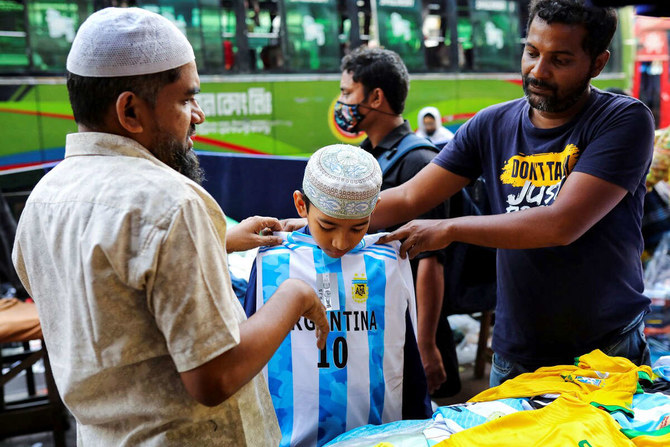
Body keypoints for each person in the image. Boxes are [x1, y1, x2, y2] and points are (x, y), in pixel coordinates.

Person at [11, 7, 328, 446]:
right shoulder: (172, 202)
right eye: (185, 99)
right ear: (131, 112)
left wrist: (219, 242)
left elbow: (112, 294)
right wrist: (296, 295)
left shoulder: (44, 199)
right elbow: (214, 376)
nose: (198, 115)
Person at [375, 0, 655, 387]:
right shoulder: (492, 123)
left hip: (605, 355)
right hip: (515, 356)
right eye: (532, 52)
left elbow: (561, 224)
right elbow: (407, 199)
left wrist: (451, 229)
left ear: (597, 63)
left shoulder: (624, 120)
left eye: (560, 59)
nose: (538, 71)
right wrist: (316, 219)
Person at [244, 144, 431, 446]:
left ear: (375, 209)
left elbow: (406, 356)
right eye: (327, 225)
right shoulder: (272, 262)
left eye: (358, 228)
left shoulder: (388, 261)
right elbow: (249, 347)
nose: (341, 241)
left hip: (377, 434)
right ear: (301, 206)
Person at [334, 46, 460, 397]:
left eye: (347, 93)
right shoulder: (366, 155)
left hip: (415, 325)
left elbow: (431, 260)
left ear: (375, 97)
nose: (341, 103)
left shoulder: (419, 160)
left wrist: (426, 343)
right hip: (379, 315)